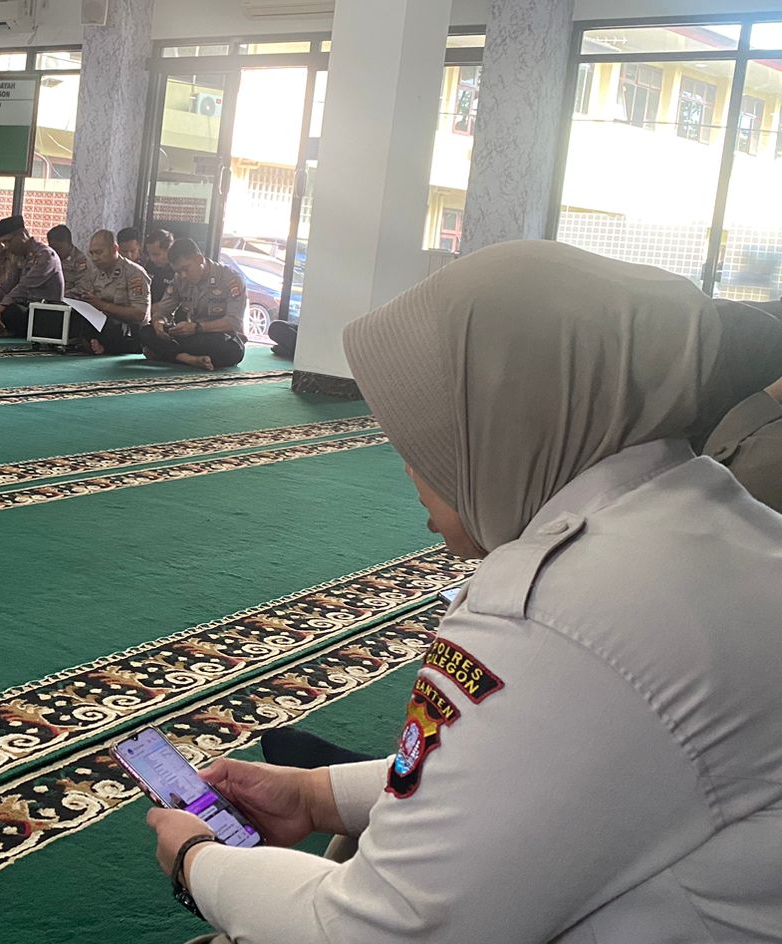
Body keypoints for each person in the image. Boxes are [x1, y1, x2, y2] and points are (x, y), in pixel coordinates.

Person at [147, 241, 782, 943]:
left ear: (509, 423)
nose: (408, 467)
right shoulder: (701, 516)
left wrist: (197, 862)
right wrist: (316, 794)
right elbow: (522, 774)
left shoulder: (560, 615)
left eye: (430, 436)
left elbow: (371, 933)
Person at [138, 237, 246, 370]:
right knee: (146, 332)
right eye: (178, 271)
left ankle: (167, 354)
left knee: (233, 351)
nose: (183, 275)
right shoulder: (179, 279)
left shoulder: (230, 279)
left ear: (199, 259)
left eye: (186, 269)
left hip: (218, 336)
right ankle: (187, 359)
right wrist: (159, 323)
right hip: (191, 335)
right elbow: (163, 311)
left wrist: (198, 328)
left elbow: (234, 322)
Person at [0, 215, 63, 337]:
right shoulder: (21, 257)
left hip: (46, 315)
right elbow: (8, 286)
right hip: (27, 310)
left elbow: (23, 288)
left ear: (22, 234)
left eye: (8, 241)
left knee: (10, 312)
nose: (6, 246)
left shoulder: (45, 255)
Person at [69, 228, 151, 354]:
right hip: (103, 323)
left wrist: (102, 305)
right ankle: (93, 344)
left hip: (129, 330)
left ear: (114, 249)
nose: (95, 258)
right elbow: (83, 293)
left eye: (99, 252)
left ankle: (102, 347)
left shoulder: (134, 273)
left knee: (114, 325)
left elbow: (140, 315)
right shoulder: (94, 272)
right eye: (91, 253)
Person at [46, 223, 91, 295]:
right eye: (52, 249)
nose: (55, 252)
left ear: (68, 243)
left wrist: (60, 295)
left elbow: (82, 288)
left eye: (58, 248)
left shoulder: (80, 260)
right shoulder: (49, 257)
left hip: (67, 299)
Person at [143, 227, 175, 305]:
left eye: (156, 254)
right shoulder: (147, 265)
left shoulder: (179, 271)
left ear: (169, 250)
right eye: (149, 254)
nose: (152, 259)